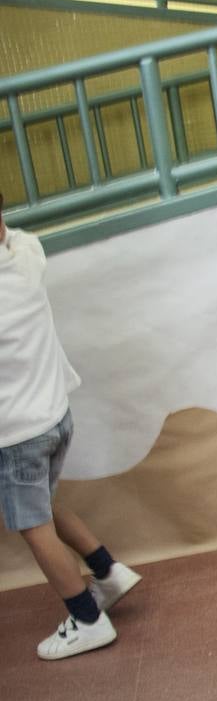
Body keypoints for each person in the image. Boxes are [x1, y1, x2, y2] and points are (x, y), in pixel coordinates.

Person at [0, 193, 141, 660]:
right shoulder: (25, 252)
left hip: (16, 432)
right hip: (55, 416)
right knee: (43, 501)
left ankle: (85, 618)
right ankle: (107, 572)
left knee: (31, 524)